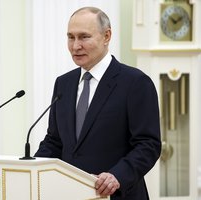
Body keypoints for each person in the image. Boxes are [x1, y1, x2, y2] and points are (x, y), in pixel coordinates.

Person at [34, 6, 161, 200]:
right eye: (70, 37)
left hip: (118, 195)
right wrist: (31, 166)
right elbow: (55, 141)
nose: (75, 46)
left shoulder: (135, 82)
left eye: (84, 37)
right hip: (70, 194)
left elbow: (148, 144)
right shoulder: (63, 83)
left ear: (106, 36)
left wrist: (117, 175)